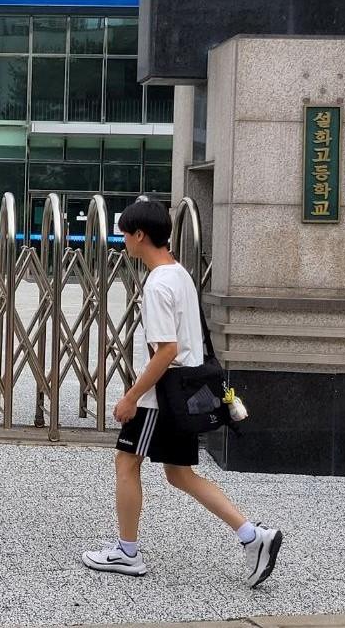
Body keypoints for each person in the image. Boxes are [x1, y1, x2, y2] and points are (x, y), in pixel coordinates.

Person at [81, 199, 282, 587]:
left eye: (125, 233)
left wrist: (132, 397)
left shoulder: (157, 285)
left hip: (160, 396)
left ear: (140, 235)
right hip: (185, 393)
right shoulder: (180, 274)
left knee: (126, 463)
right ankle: (253, 536)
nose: (123, 240)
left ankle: (126, 552)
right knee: (179, 474)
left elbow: (166, 351)